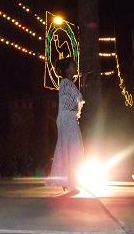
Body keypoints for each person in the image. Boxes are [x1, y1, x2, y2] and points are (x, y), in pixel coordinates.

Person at [46, 57, 85, 193]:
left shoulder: (66, 83)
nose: (76, 68)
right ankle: (70, 182)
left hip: (66, 118)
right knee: (72, 148)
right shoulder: (66, 83)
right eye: (74, 66)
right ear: (68, 69)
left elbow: (73, 102)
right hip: (67, 118)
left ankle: (69, 181)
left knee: (68, 148)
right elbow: (73, 103)